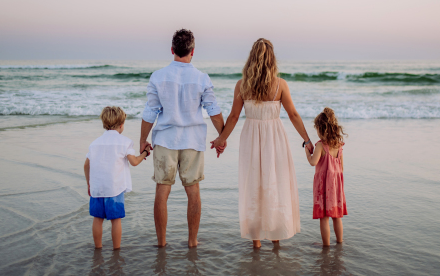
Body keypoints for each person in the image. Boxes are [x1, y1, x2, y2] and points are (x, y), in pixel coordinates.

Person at [210, 38, 313, 249]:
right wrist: (307, 140)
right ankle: (276, 237)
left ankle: (256, 241)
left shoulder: (242, 85)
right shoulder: (280, 84)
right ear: (272, 59)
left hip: (250, 138)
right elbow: (293, 114)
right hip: (275, 137)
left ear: (251, 58)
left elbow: (233, 117)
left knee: (253, 185)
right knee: (274, 183)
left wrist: (221, 140)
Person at [140, 29, 225, 248]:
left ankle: (161, 243)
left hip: (165, 140)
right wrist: (222, 138)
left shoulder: (158, 76)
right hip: (192, 141)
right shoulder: (201, 78)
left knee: (162, 189)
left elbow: (150, 112)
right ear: (192, 51)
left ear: (172, 50)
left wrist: (143, 140)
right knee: (193, 191)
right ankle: (192, 241)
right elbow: (213, 111)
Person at [84, 106, 152, 250]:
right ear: (122, 125)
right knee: (116, 220)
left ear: (104, 123)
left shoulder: (95, 143)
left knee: (97, 219)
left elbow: (86, 165)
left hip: (97, 188)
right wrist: (145, 153)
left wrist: (89, 184)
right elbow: (134, 162)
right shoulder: (125, 142)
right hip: (114, 188)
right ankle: (116, 250)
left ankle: (98, 248)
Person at [305, 107, 348, 246]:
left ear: (321, 129)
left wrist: (307, 151)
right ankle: (340, 242)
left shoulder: (320, 146)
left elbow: (313, 162)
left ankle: (326, 246)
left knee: (324, 218)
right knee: (336, 216)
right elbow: (341, 167)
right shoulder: (339, 145)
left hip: (323, 185)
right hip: (336, 186)